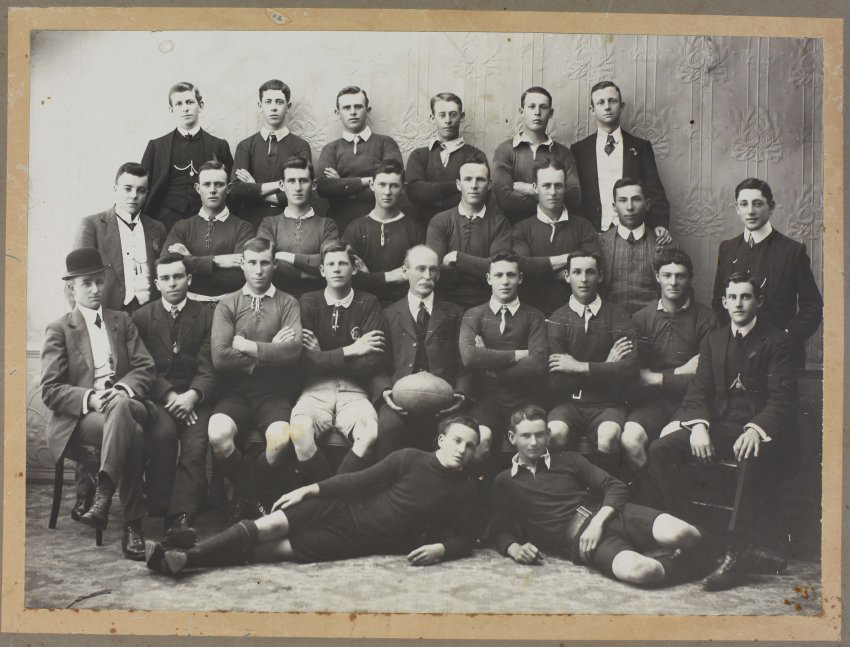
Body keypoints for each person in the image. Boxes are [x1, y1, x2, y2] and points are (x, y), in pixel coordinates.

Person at [145, 416, 481, 576]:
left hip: (356, 540)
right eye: (457, 441)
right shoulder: (409, 458)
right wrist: (309, 489)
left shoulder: (464, 489)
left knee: (267, 552)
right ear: (441, 441)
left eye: (469, 446)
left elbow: (468, 536)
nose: (462, 450)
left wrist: (442, 548)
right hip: (337, 505)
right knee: (265, 527)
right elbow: (358, 481)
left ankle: (185, 558)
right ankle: (184, 557)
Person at [647, 273, 797, 590]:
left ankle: (735, 551)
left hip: (761, 430)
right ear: (725, 302)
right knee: (660, 449)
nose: (739, 304)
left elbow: (782, 399)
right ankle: (692, 539)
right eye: (733, 298)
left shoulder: (778, 340)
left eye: (746, 297)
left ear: (759, 301)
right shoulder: (713, 339)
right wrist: (699, 427)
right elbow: (698, 392)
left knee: (749, 454)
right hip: (720, 425)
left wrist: (757, 429)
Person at [491, 405, 709, 586]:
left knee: (684, 533)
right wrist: (514, 548)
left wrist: (598, 521)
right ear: (512, 437)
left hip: (612, 515)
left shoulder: (568, 459)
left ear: (548, 435)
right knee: (643, 571)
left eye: (539, 435)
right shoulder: (505, 481)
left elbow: (615, 486)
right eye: (525, 436)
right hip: (582, 541)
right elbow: (500, 528)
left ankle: (712, 549)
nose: (533, 442)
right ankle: (695, 565)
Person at [41, 247, 155, 559]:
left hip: (128, 403)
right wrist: (89, 398)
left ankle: (102, 494)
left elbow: (145, 367)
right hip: (86, 416)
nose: (95, 289)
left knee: (120, 407)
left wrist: (122, 388)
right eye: (86, 283)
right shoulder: (59, 329)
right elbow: (50, 390)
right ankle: (133, 525)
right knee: (135, 437)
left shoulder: (123, 320)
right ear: (71, 288)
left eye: (99, 282)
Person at [208, 237, 303, 522]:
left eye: (264, 263)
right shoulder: (228, 303)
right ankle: (252, 497)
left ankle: (249, 495)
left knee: (280, 440)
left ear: (274, 264)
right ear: (243, 265)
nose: (259, 270)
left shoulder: (288, 303)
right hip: (235, 391)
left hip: (274, 392)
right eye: (252, 263)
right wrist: (271, 350)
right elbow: (221, 358)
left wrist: (250, 347)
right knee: (218, 435)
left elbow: (294, 352)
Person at [133, 253, 218, 548]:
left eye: (178, 277)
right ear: (157, 283)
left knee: (195, 444)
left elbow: (210, 364)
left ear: (189, 279)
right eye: (166, 278)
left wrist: (193, 396)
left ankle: (180, 516)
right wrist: (169, 395)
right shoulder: (142, 317)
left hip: (196, 396)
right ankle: (160, 505)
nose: (172, 284)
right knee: (163, 434)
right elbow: (142, 365)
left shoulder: (207, 315)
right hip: (161, 397)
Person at [289, 241, 386, 482]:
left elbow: (372, 361)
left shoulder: (369, 302)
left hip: (354, 390)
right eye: (330, 264)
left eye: (343, 263)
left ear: (354, 269)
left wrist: (321, 355)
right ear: (322, 271)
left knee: (370, 432)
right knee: (299, 431)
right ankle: (329, 491)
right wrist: (352, 350)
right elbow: (302, 362)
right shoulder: (308, 302)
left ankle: (331, 491)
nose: (336, 269)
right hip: (314, 389)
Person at [711, 177, 823, 367]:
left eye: (757, 204)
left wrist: (786, 336)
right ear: (737, 208)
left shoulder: (792, 251)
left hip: (780, 354)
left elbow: (812, 307)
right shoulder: (727, 249)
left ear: (770, 207)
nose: (750, 211)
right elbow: (718, 301)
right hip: (734, 352)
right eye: (744, 204)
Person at [624, 247, 718, 472]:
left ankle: (667, 504)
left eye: (680, 276)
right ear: (657, 277)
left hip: (690, 403)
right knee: (629, 440)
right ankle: (651, 500)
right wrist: (679, 372)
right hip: (652, 403)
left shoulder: (707, 320)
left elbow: (704, 379)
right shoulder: (640, 319)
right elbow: (637, 378)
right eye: (667, 275)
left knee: (665, 444)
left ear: (690, 279)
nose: (673, 282)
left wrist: (655, 377)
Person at [373, 245, 470, 459]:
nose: (427, 276)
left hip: (446, 401)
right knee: (388, 429)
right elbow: (377, 363)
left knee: (454, 433)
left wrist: (461, 395)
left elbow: (466, 363)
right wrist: (385, 391)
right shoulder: (388, 314)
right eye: (420, 269)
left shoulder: (455, 313)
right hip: (398, 400)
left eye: (433, 270)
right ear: (405, 271)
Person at [546, 251, 637, 477]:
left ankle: (606, 492)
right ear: (567, 276)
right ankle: (566, 489)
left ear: (601, 276)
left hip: (608, 403)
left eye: (590, 272)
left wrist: (576, 366)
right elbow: (555, 380)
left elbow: (628, 369)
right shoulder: (557, 319)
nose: (584, 279)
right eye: (577, 272)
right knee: (555, 432)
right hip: (569, 404)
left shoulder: (617, 315)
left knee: (608, 437)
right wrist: (606, 366)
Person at [459, 249, 547, 462]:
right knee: (480, 440)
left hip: (525, 399)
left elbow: (538, 364)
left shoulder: (534, 316)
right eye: (498, 275)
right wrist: (518, 354)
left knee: (524, 442)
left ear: (520, 278)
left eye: (511, 275)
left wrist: (489, 364)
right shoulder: (474, 315)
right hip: (488, 399)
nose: (505, 281)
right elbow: (470, 357)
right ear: (489, 279)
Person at [570, 81, 670, 238]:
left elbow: (654, 191)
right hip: (592, 235)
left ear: (621, 106)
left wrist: (660, 224)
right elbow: (575, 197)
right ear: (592, 109)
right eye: (601, 102)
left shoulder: (640, 147)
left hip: (632, 234)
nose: (607, 107)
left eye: (612, 101)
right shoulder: (579, 150)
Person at [511, 158, 601, 316]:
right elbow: (521, 267)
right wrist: (571, 259)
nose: (553, 192)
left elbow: (591, 268)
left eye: (558, 186)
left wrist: (539, 271)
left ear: (565, 187)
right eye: (546, 185)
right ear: (535, 187)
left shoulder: (583, 226)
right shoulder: (521, 228)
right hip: (531, 315)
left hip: (576, 315)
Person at [141, 82, 234, 232]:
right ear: (171, 109)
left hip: (208, 221)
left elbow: (231, 191)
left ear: (201, 106)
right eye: (178, 104)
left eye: (190, 102)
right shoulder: (156, 146)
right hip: (164, 222)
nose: (185, 108)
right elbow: (142, 187)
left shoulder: (219, 146)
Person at [75, 162, 167, 314]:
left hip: (150, 315)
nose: (134, 196)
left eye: (141, 190)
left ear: (147, 194)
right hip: (108, 313)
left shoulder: (157, 228)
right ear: (115, 189)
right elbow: (77, 278)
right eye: (128, 189)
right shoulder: (92, 225)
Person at [162, 160, 254, 305]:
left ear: (229, 188)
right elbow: (166, 266)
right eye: (206, 184)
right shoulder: (182, 227)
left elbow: (239, 277)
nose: (212, 190)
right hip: (189, 307)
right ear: (198, 188)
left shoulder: (243, 228)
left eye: (218, 184)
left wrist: (189, 260)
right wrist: (217, 261)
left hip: (230, 306)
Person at [426, 160, 513, 309]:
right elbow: (434, 270)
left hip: (486, 304)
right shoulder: (440, 221)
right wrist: (480, 266)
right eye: (467, 179)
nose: (474, 185)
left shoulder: (500, 223)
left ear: (490, 184)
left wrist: (458, 259)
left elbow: (498, 269)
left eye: (480, 179)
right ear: (459, 184)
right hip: (445, 303)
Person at [317, 86, 405, 233]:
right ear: (338, 113)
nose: (352, 112)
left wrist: (342, 186)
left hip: (380, 223)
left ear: (367, 111)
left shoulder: (386, 143)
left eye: (358, 106)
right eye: (346, 108)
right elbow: (323, 187)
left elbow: (392, 184)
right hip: (340, 224)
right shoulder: (330, 149)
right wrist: (366, 181)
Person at [230, 79, 313, 231]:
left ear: (288, 107)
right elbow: (236, 190)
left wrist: (254, 189)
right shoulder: (245, 146)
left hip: (287, 224)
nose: (273, 108)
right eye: (268, 102)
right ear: (260, 106)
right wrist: (280, 185)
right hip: (250, 223)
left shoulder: (300, 146)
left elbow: (302, 191)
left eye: (279, 102)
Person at [492, 86, 581, 224]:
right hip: (514, 230)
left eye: (543, 107)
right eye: (531, 107)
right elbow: (504, 200)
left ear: (550, 113)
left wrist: (531, 190)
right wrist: (552, 199)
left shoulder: (563, 153)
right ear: (522, 111)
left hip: (555, 228)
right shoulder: (505, 150)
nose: (537, 112)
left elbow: (574, 197)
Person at [342, 159, 425, 307]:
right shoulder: (354, 229)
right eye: (382, 185)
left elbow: (417, 277)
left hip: (402, 308)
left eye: (394, 186)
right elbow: (347, 277)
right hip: (362, 306)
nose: (387, 192)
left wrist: (369, 279)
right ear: (372, 185)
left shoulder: (414, 229)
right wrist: (391, 276)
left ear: (403, 188)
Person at [256, 156, 340, 298]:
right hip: (277, 301)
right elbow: (264, 263)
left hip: (317, 302)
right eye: (291, 181)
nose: (297, 188)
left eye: (303, 181)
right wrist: (307, 274)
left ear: (313, 185)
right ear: (282, 185)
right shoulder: (269, 224)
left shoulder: (327, 225)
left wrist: (283, 256)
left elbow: (331, 262)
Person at [405, 92, 489, 225]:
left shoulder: (475, 155)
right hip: (425, 228)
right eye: (442, 115)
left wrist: (432, 193)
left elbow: (478, 195)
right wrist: (459, 186)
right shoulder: (419, 155)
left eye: (453, 114)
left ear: (461, 117)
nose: (448, 120)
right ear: (433, 118)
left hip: (463, 227)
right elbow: (415, 192)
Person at [599, 178, 673, 316]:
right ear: (614, 206)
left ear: (647, 204)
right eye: (622, 200)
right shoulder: (600, 243)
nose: (629, 207)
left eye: (636, 199)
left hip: (653, 323)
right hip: (610, 325)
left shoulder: (663, 244)